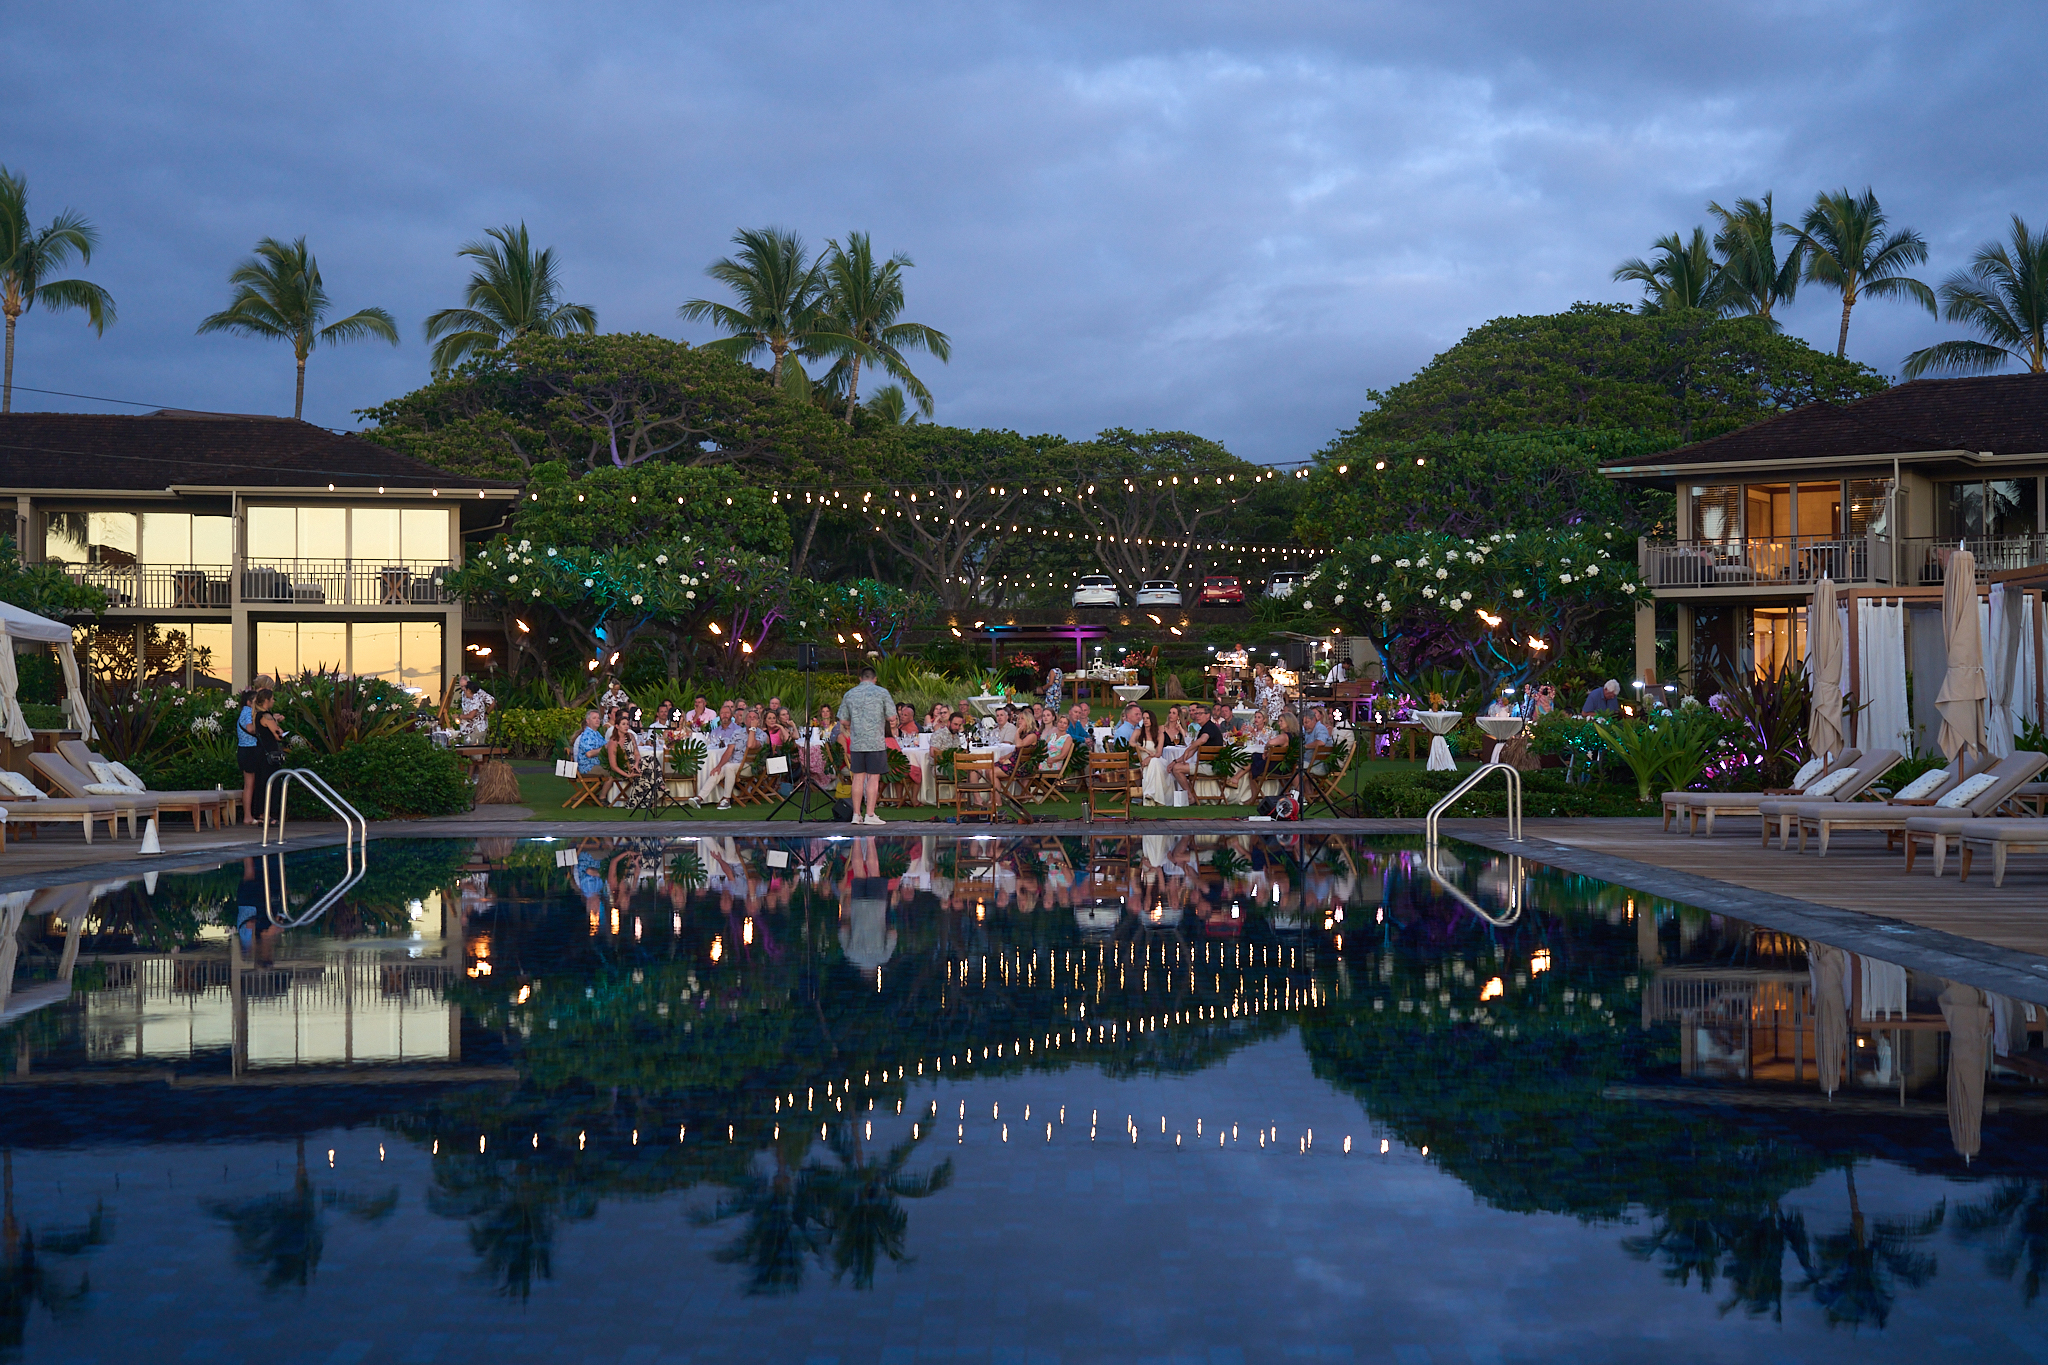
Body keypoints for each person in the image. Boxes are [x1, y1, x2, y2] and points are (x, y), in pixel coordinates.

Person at [837, 664, 896, 826]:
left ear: (860, 678)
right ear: (875, 679)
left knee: (858, 777)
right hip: (875, 742)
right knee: (873, 778)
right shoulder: (882, 693)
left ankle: (856, 815)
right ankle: (870, 813)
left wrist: (856, 721)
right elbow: (892, 716)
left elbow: (843, 720)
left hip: (857, 743)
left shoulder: (850, 694)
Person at [237, 686, 270, 825]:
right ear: (249, 702)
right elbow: (250, 728)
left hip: (246, 750)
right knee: (249, 784)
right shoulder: (247, 713)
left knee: (250, 783)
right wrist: (265, 727)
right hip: (249, 750)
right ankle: (248, 816)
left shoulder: (247, 712)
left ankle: (250, 815)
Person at [455, 674, 495, 745]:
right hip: (468, 729)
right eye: (462, 686)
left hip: (477, 728)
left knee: (476, 751)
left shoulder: (478, 695)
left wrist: (486, 713)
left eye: (465, 686)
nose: (464, 688)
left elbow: (493, 702)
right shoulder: (464, 694)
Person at [572, 709, 607, 784]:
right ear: (587, 721)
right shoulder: (587, 735)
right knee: (613, 772)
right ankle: (603, 795)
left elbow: (607, 746)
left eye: (598, 718)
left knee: (617, 768)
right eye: (594, 718)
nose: (597, 720)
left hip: (598, 764)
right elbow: (589, 754)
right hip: (587, 768)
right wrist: (604, 749)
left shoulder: (597, 734)